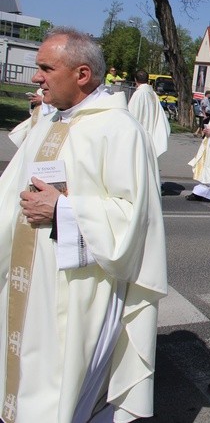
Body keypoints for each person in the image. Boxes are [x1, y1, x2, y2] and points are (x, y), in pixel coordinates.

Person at [0, 27, 167, 422]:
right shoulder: (49, 121)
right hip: (31, 278)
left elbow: (133, 217)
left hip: (81, 285)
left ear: (82, 74)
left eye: (45, 68)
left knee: (60, 388)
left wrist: (63, 211)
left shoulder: (120, 130)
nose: (36, 77)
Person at [128, 69, 171, 157]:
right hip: (150, 134)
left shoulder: (139, 94)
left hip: (140, 136)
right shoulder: (153, 94)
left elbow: (131, 116)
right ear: (147, 80)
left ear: (135, 80)